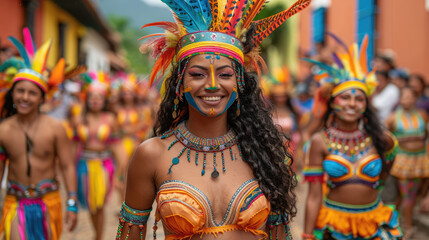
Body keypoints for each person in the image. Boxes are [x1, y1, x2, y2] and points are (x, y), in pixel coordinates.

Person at [116, 0, 311, 239]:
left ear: (240, 83)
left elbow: (281, 234)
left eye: (225, 74)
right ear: (180, 82)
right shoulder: (151, 155)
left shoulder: (268, 151)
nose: (211, 85)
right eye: (197, 74)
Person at [302, 35, 402, 240]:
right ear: (332, 102)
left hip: (373, 221)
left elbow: (388, 164)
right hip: (334, 224)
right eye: (345, 97)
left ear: (366, 105)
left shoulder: (382, 139)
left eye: (359, 98)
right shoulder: (320, 141)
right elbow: (313, 196)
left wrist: (377, 185)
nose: (352, 104)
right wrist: (307, 234)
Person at [0, 28, 77, 240]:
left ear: (42, 98)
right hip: (14, 202)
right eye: (20, 91)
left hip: (48, 202)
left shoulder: (55, 128)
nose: (25, 97)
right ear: (12, 93)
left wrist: (72, 202)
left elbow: (67, 165)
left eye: (32, 92)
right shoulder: (3, 130)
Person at [71, 72, 125, 240]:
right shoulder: (79, 117)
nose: (95, 100)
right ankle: (96, 234)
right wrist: (69, 171)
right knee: (90, 204)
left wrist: (118, 176)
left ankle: (98, 236)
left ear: (105, 100)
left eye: (99, 97)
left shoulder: (110, 119)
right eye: (92, 96)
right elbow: (72, 147)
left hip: (104, 165)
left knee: (99, 205)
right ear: (86, 98)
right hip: (83, 165)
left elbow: (120, 150)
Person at [385, 86, 429, 238]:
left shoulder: (423, 115)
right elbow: (385, 137)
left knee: (405, 195)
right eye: (404, 97)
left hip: (420, 159)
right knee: (408, 195)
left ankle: (390, 222)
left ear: (415, 98)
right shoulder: (392, 118)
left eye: (410, 97)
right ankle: (408, 228)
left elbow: (425, 135)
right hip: (403, 161)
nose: (406, 100)